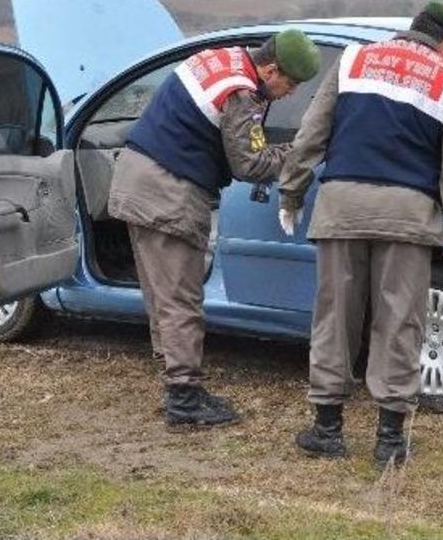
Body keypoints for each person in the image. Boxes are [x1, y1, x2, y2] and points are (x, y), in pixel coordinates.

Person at [279, 0, 443, 466]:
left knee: (334, 317)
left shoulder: (352, 60)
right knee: (399, 322)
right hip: (407, 218)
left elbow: (312, 133)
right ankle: (389, 440)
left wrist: (291, 193)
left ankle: (327, 429)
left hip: (341, 208)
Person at [108, 30, 320, 427]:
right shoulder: (241, 92)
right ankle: (184, 397)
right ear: (271, 69)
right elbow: (250, 164)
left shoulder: (223, 58)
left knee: (162, 296)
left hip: (136, 178)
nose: (290, 93)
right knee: (180, 299)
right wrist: (300, 153)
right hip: (168, 191)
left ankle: (176, 381)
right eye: (290, 84)